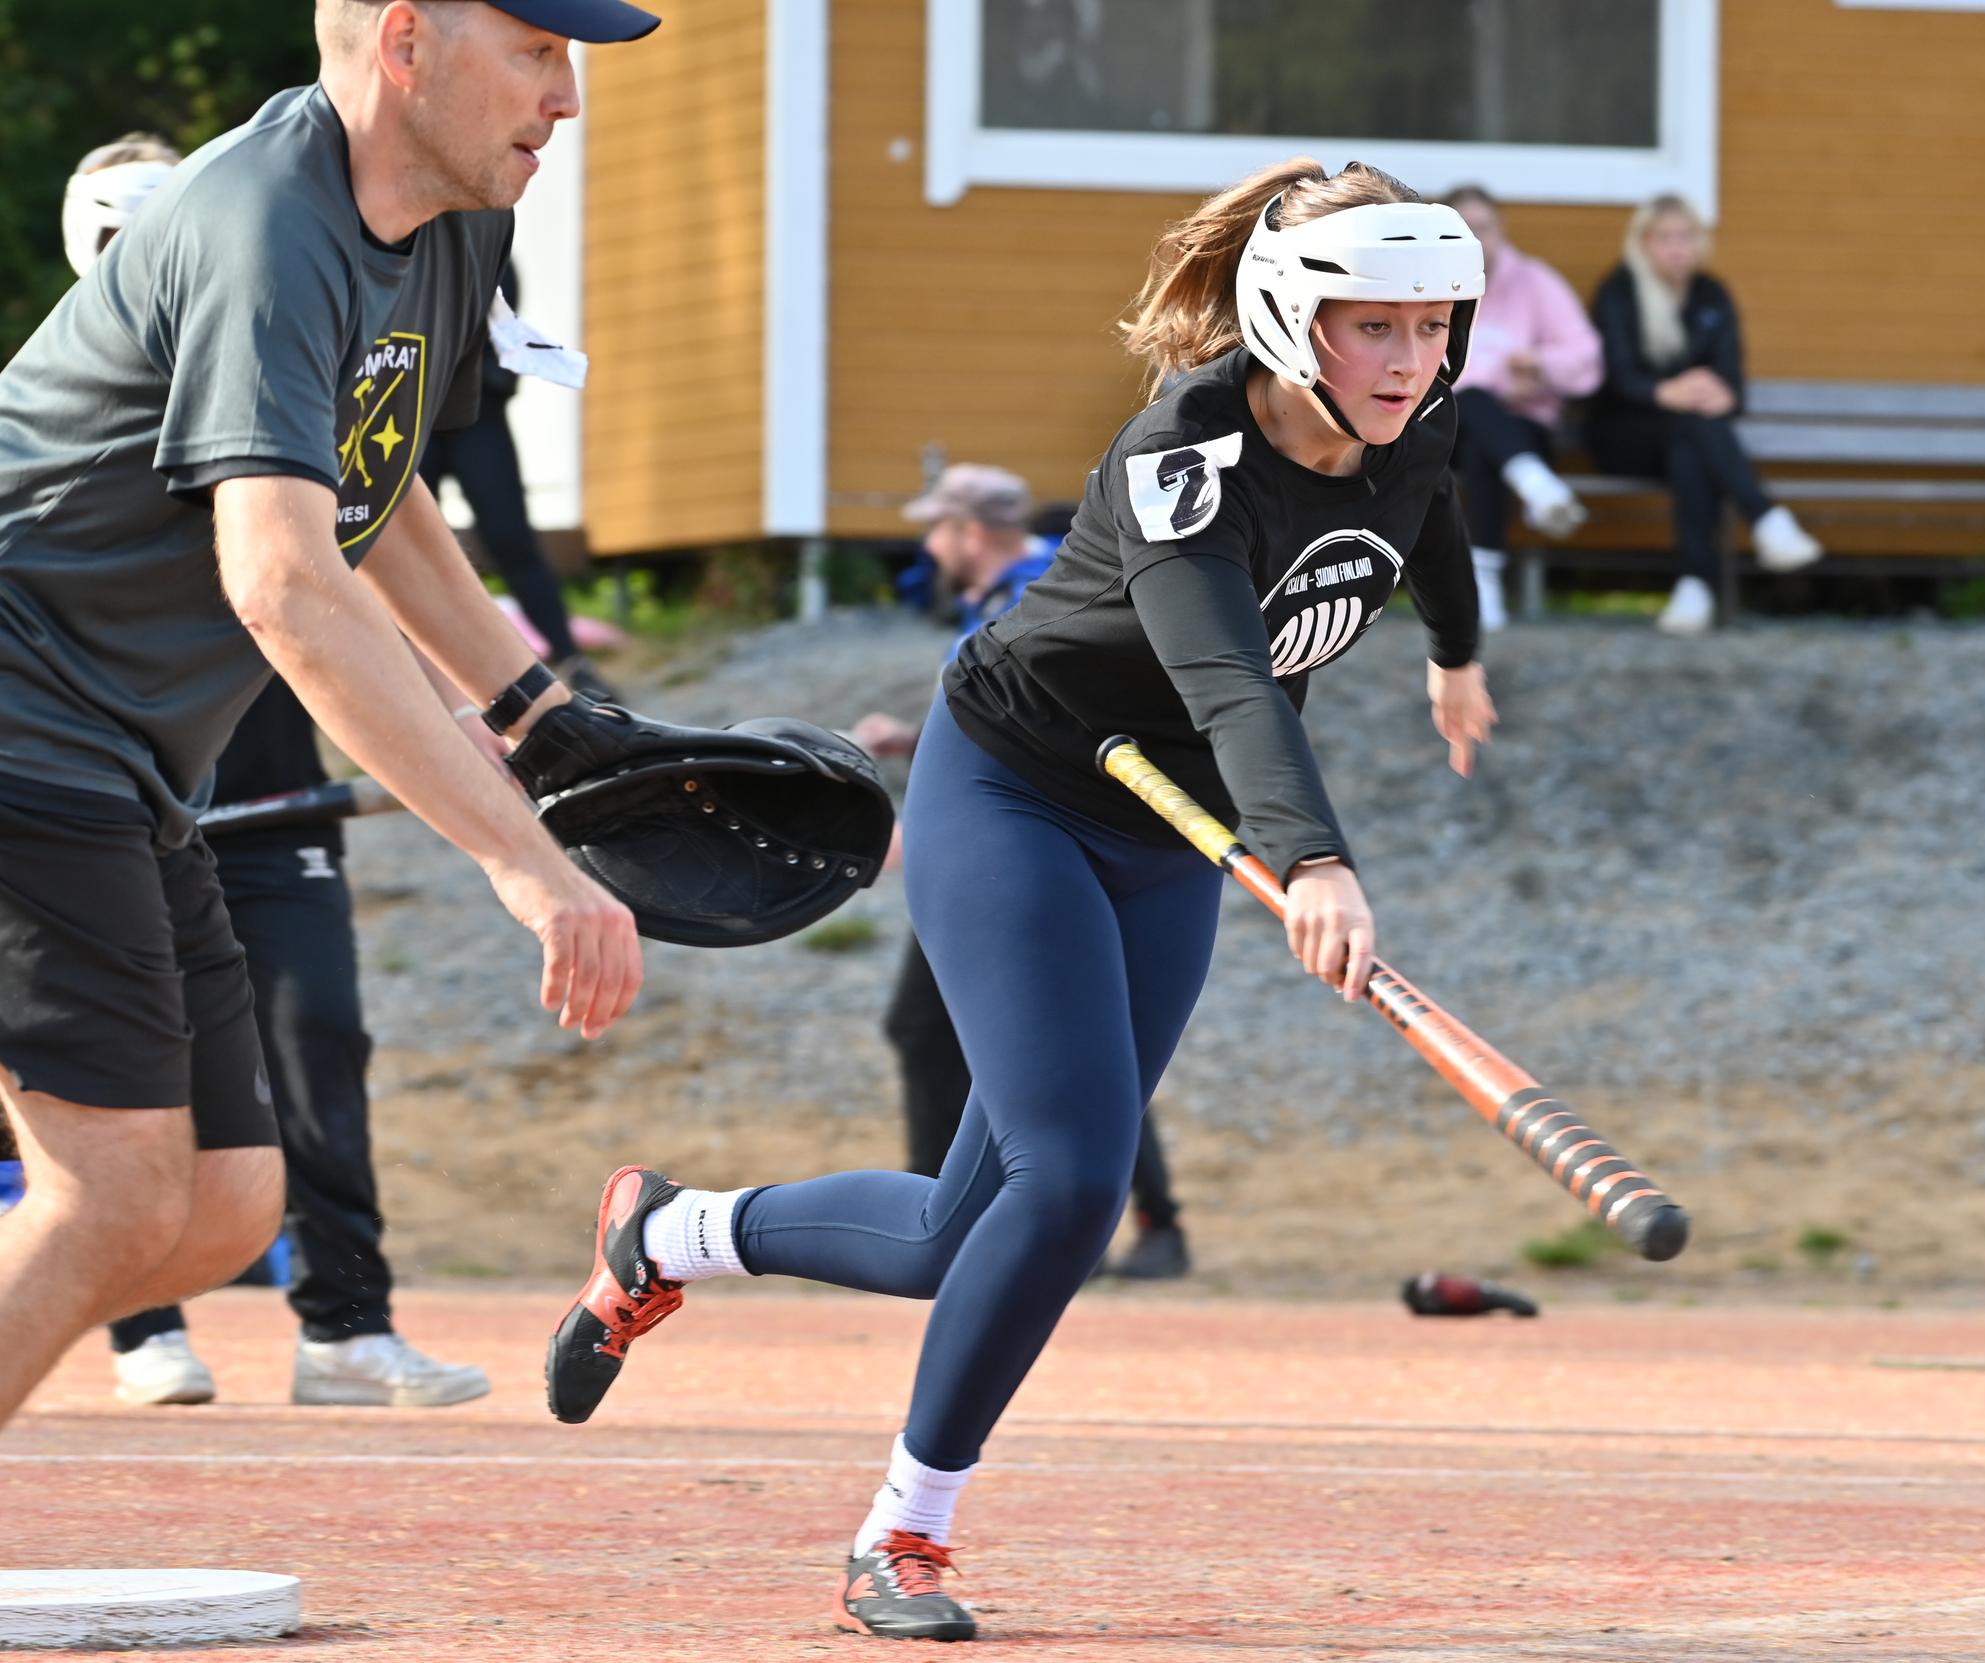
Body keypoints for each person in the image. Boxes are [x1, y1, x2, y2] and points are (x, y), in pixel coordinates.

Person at [544, 157, 1496, 1642]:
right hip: (1016, 792)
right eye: (1375, 325)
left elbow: (1426, 512)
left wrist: (1456, 654)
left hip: (1165, 831)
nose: (1410, 359)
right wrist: (1313, 856)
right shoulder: (1182, 457)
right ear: (1289, 315)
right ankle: (901, 1534)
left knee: (956, 1232)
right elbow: (1228, 678)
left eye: (1433, 325)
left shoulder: (1418, 417)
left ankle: (668, 1234)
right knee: (1071, 1183)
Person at [0, 0, 659, 1462]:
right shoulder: (262, 224)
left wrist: (546, 714)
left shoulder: (457, 222)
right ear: (406, 46)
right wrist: (524, 859)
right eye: (538, 54)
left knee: (222, 1204)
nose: (569, 98)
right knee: (113, 1193)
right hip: (4, 720)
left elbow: (377, 494)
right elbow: (283, 581)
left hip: (115, 756)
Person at [56, 134, 492, 1410]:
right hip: (120, 809)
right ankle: (143, 1326)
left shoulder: (285, 368)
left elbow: (361, 560)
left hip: (273, 805)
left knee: (320, 1044)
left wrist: (476, 710)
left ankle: (347, 1327)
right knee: (131, 1081)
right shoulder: (77, 404)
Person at [855, 464, 1192, 1281]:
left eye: (937, 528)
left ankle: (951, 1225)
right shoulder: (1044, 581)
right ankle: (1109, 1223)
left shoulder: (1030, 592)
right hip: (1042, 832)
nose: (930, 545)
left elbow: (1054, 723)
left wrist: (933, 821)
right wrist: (917, 742)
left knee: (1010, 1037)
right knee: (1061, 1039)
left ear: (970, 532)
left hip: (1028, 842)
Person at [1586, 194, 1821, 637]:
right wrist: (1667, 391)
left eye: (1685, 237)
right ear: (1643, 243)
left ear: (1699, 242)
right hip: (1624, 435)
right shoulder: (1619, 292)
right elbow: (1617, 377)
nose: (1677, 248)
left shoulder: (1712, 294)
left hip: (1687, 436)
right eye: (1665, 238)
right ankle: (1765, 517)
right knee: (1693, 428)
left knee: (1691, 445)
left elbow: (1732, 379)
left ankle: (1694, 587)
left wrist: (1719, 394)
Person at [419, 257, 620, 701]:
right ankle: (427, 684)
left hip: (478, 416)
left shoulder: (479, 239)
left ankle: (573, 662)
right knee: (410, 551)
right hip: (411, 420)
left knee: (512, 539)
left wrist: (494, 380)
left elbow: (501, 311)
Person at [1443, 185, 1604, 631]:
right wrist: (1499, 378)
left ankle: (1484, 579)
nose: (1477, 240)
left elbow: (1586, 359)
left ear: (1502, 230)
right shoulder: (1429, 286)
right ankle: (1536, 486)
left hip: (1525, 429)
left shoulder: (1536, 282)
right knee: (1474, 401)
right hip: (1445, 429)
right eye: (1463, 231)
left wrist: (1539, 363)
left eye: (1484, 228)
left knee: (1485, 447)